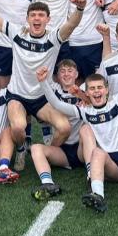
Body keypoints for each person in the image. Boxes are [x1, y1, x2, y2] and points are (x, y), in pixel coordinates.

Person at [0, 0, 88, 171]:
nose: (37, 19)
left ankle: (47, 153)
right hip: (18, 95)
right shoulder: (16, 32)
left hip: (42, 97)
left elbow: (72, 24)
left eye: (41, 15)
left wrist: (79, 7)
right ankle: (22, 148)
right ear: (27, 19)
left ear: (48, 19)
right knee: (18, 127)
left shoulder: (53, 38)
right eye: (33, 15)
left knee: (64, 128)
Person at [37, 48, 118, 214]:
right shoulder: (86, 112)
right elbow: (57, 105)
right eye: (92, 89)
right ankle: (97, 195)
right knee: (97, 153)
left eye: (100, 87)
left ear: (107, 90)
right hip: (110, 165)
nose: (96, 91)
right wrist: (43, 82)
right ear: (87, 93)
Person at [28, 61, 85, 200]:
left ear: (76, 74)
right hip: (62, 149)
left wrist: (83, 97)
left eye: (70, 70)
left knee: (86, 129)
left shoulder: (85, 89)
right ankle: (48, 184)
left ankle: (92, 176)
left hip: (82, 148)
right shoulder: (54, 89)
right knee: (35, 148)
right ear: (57, 76)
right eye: (62, 71)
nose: (66, 74)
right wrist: (42, 79)